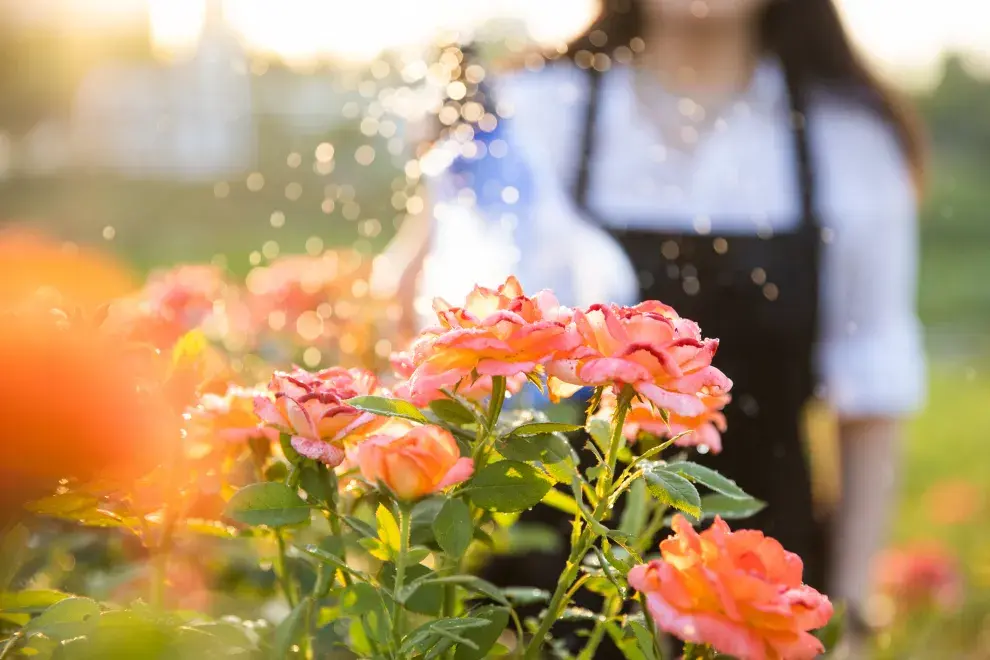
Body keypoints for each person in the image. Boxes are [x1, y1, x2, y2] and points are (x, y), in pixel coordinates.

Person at [373, 0, 926, 653]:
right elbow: (424, 320)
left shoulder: (850, 142)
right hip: (531, 603)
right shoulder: (531, 112)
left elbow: (871, 399)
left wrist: (851, 626)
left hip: (755, 595)